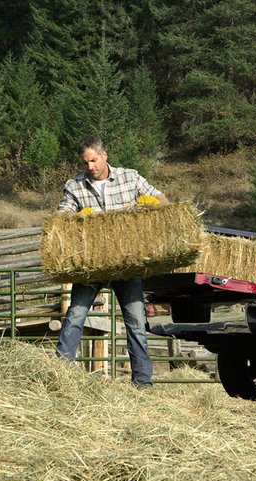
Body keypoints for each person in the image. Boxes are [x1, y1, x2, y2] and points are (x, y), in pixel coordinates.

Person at [54, 134, 169, 389]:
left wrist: (147, 204)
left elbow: (163, 201)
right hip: (92, 265)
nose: (90, 167)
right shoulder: (74, 186)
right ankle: (59, 373)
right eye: (85, 163)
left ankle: (142, 382)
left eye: (93, 161)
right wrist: (76, 217)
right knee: (75, 315)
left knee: (136, 322)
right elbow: (59, 221)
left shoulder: (130, 177)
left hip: (127, 263)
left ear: (104, 155)